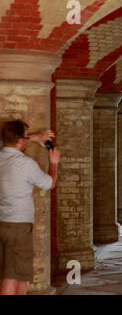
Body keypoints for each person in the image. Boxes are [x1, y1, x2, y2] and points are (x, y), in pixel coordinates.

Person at [0, 120, 60, 295]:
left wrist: (35, 138)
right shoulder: (26, 164)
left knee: (16, 274)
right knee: (13, 276)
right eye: (25, 138)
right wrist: (53, 162)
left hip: (2, 223)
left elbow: (11, 142)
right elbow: (50, 184)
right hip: (18, 226)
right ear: (20, 141)